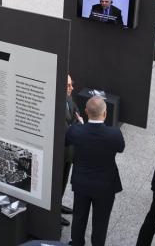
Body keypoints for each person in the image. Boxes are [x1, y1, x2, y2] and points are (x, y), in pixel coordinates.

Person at [67, 96, 125, 246]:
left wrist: (80, 125)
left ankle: (77, 243)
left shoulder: (76, 131)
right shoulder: (114, 134)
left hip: (82, 183)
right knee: (101, 221)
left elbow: (67, 140)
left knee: (79, 217)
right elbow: (121, 148)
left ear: (86, 112)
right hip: (105, 185)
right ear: (105, 114)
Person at [62, 74, 83, 227]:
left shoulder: (69, 98)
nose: (72, 88)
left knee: (63, 180)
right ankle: (54, 213)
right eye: (68, 85)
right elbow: (66, 130)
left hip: (69, 151)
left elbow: (77, 112)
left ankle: (58, 204)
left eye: (71, 84)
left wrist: (75, 124)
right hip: (60, 152)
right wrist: (77, 124)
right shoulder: (56, 103)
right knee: (57, 182)